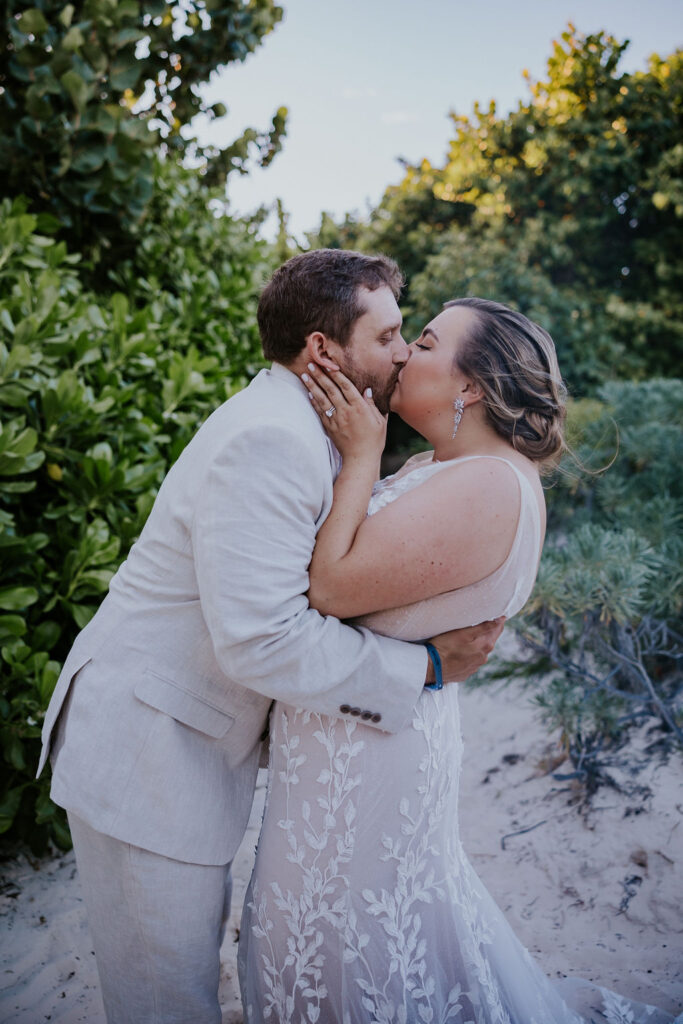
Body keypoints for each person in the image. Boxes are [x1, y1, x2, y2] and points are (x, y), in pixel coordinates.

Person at [36, 250, 503, 1024]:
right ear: (322, 349)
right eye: (387, 335)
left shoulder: (311, 426)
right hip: (148, 753)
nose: (402, 353)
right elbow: (260, 641)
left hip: (181, 743)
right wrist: (420, 666)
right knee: (163, 1000)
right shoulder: (273, 439)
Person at [238, 298, 681, 1024]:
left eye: (425, 341)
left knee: (362, 946)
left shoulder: (486, 483)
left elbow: (329, 587)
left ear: (471, 385)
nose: (405, 354)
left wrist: (358, 456)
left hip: (374, 758)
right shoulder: (443, 466)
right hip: (352, 736)